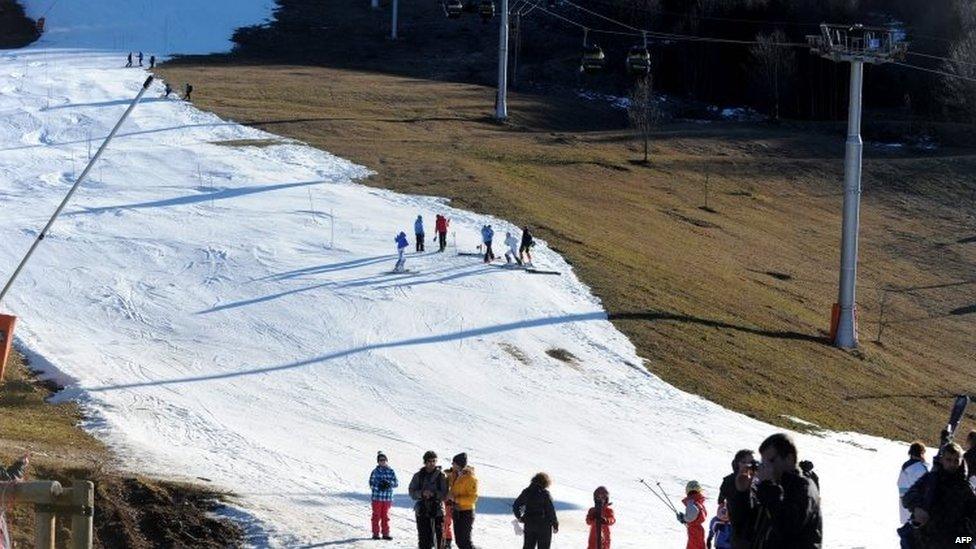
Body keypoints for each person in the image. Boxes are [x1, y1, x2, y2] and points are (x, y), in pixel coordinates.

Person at [729, 433, 822, 549]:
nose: (766, 466)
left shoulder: (804, 487)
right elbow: (743, 529)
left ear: (789, 458)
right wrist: (742, 492)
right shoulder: (772, 488)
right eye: (763, 462)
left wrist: (767, 486)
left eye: (771, 460)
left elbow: (787, 527)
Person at [902, 442, 976, 548]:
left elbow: (971, 536)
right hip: (928, 541)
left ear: (961, 462)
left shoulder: (965, 487)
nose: (952, 464)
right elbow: (908, 497)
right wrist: (918, 507)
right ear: (942, 460)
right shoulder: (930, 480)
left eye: (956, 460)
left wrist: (960, 541)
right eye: (948, 459)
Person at [409, 451, 448, 549]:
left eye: (434, 461)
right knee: (424, 540)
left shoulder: (441, 476)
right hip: (422, 510)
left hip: (438, 510)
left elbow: (445, 493)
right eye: (429, 461)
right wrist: (422, 493)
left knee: (440, 540)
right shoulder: (418, 476)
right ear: (425, 462)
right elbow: (411, 492)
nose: (432, 463)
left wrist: (434, 494)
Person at [513, 472, 559, 549]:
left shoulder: (527, 492)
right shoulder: (545, 494)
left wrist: (519, 517)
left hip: (529, 524)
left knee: (528, 546)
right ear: (545, 483)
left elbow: (516, 506)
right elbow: (550, 511)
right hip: (544, 526)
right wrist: (555, 524)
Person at [447, 453, 477, 549]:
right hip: (456, 511)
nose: (452, 465)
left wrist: (456, 499)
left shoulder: (470, 478)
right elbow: (448, 480)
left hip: (466, 512)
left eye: (454, 463)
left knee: (465, 542)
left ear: (459, 464)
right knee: (459, 541)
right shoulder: (454, 475)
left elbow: (473, 498)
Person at [369, 451, 398, 540]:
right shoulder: (375, 471)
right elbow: (371, 484)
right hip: (377, 498)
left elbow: (396, 483)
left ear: (387, 461)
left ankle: (386, 533)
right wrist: (379, 486)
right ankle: (376, 534)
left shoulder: (391, 471)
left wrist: (389, 484)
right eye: (381, 460)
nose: (383, 462)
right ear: (378, 462)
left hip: (387, 498)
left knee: (385, 516)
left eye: (384, 460)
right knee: (376, 516)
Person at [898, 441, 928, 524]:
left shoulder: (905, 467)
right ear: (921, 453)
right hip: (916, 504)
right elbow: (927, 485)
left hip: (904, 501)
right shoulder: (920, 468)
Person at [677, 480, 707, 549]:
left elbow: (691, 516)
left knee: (694, 546)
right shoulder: (698, 502)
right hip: (698, 529)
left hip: (694, 530)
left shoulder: (691, 502)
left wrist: (683, 518)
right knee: (699, 545)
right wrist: (684, 519)